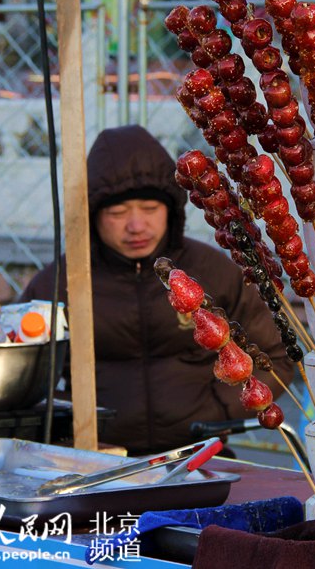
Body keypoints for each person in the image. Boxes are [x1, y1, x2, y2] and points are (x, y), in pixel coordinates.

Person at [21, 124, 294, 456]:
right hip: (95, 458)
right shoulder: (59, 282)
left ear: (171, 207)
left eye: (150, 209)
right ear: (92, 216)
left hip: (199, 452)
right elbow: (26, 382)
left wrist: (215, 413)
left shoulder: (213, 271)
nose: (137, 225)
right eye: (118, 213)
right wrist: (73, 424)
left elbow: (274, 359)